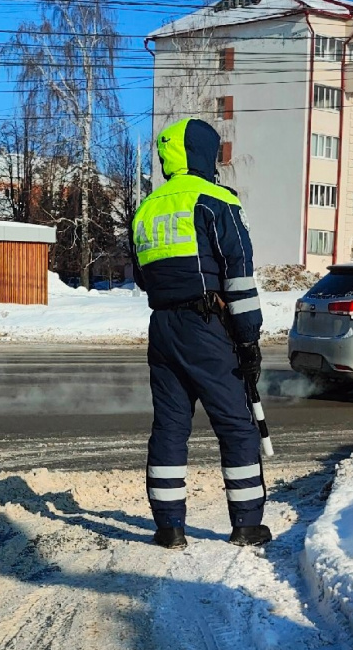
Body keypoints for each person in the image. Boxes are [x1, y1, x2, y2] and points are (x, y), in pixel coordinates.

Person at [130, 117, 269, 550]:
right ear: (204, 154)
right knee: (236, 425)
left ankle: (169, 527)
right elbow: (238, 274)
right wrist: (247, 339)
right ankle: (247, 524)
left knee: (170, 428)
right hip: (207, 325)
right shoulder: (216, 200)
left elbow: (142, 276)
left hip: (162, 327)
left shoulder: (147, 208)